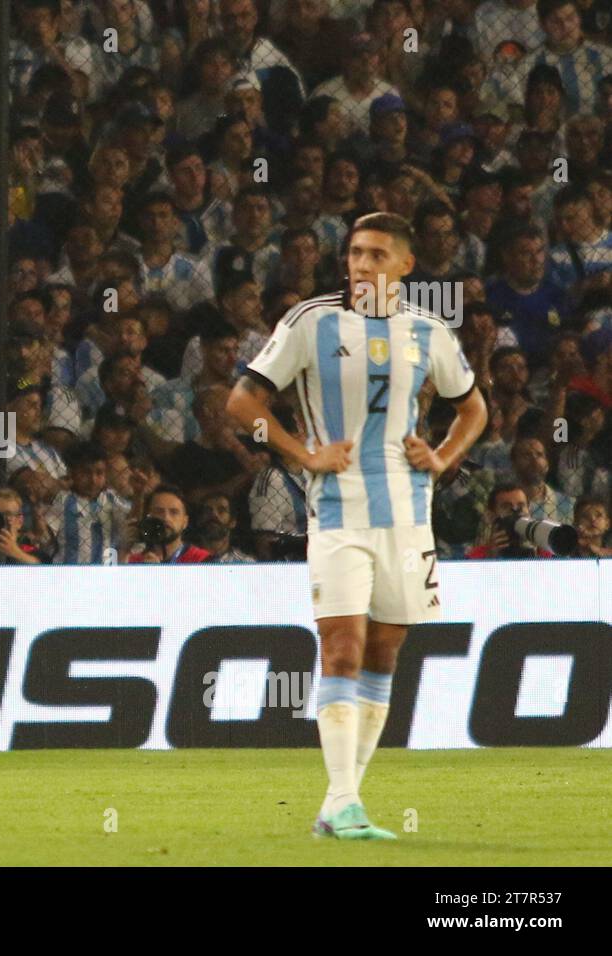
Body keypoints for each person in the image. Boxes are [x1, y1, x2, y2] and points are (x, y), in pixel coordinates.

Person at [227, 211, 487, 840]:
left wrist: (444, 457)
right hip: (337, 512)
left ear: (404, 265)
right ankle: (344, 803)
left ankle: (340, 802)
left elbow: (473, 409)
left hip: (408, 518)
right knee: (340, 646)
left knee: (384, 652)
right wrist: (302, 453)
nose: (361, 265)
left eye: (375, 255)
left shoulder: (429, 332)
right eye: (354, 253)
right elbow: (241, 405)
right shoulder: (310, 321)